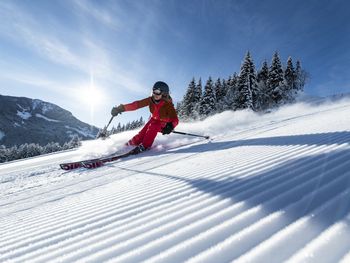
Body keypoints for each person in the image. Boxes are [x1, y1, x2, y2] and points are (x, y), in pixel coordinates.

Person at [111, 81, 179, 154]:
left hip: (163, 123)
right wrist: (121, 108)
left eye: (157, 92)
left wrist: (170, 126)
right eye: (154, 91)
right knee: (141, 134)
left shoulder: (168, 105)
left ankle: (144, 146)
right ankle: (128, 146)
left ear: (164, 93)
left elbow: (175, 119)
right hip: (153, 119)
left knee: (153, 126)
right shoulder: (151, 100)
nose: (155, 94)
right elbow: (137, 105)